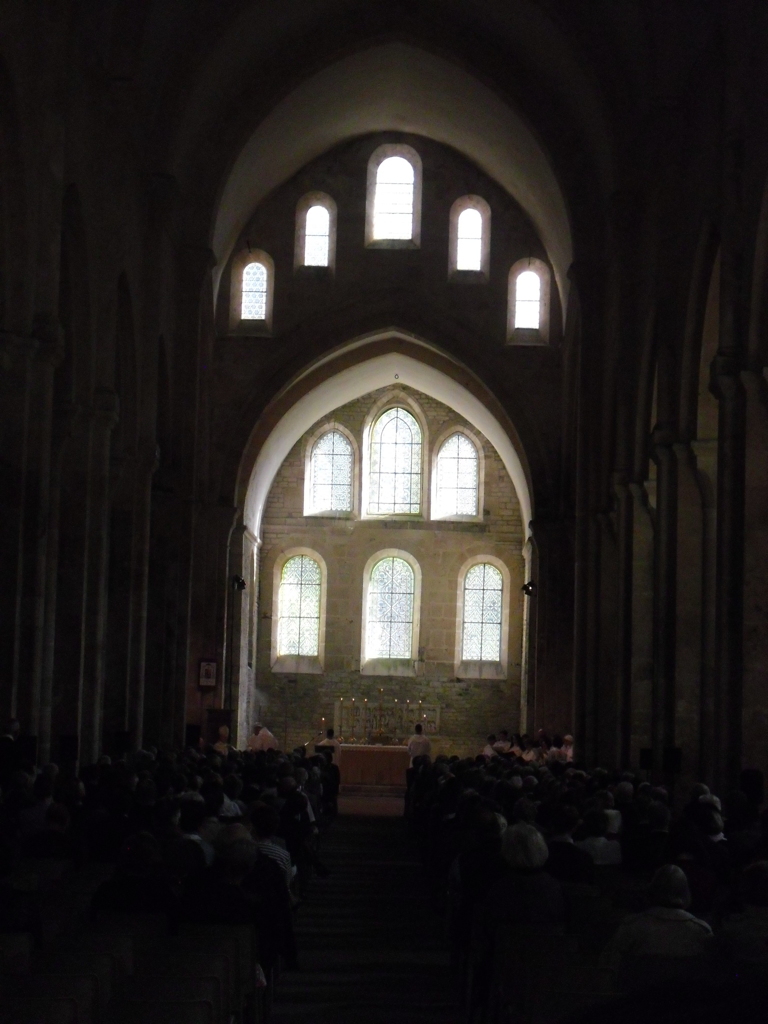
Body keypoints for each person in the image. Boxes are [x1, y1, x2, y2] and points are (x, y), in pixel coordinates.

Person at [601, 864, 714, 988]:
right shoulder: (701, 930)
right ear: (685, 892)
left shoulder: (631, 926)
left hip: (637, 1001)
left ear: (652, 890)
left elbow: (609, 970)